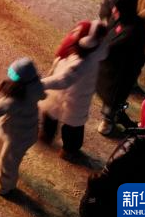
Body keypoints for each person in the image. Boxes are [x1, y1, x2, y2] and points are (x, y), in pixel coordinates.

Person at [0, 58, 46, 197]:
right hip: (14, 129)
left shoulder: (16, 101)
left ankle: (6, 186)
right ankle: (5, 165)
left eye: (14, 76)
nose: (10, 76)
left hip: (19, 137)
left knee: (9, 161)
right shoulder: (35, 87)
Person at [38, 20, 109, 161]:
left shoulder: (82, 63)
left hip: (74, 98)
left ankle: (69, 149)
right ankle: (48, 135)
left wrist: (38, 84)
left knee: (72, 126)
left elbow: (63, 80)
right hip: (61, 95)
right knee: (51, 114)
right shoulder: (90, 52)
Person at [95, 0, 145, 136]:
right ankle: (114, 115)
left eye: (117, 9)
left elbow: (112, 48)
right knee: (108, 95)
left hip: (120, 74)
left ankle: (107, 122)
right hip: (108, 68)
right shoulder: (121, 19)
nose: (113, 11)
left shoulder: (133, 31)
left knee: (112, 99)